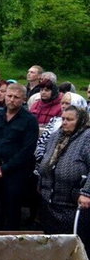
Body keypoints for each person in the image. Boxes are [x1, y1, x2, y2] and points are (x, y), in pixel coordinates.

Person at [0, 82, 39, 230]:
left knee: (11, 211)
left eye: (16, 97)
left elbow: (27, 150)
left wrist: (4, 169)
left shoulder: (30, 121)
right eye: (9, 96)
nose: (11, 99)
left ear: (24, 99)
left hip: (14, 173)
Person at [37, 105, 90, 247]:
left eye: (69, 119)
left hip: (72, 204)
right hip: (49, 200)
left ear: (81, 121)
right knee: (51, 242)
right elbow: (46, 161)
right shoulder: (56, 136)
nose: (64, 122)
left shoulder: (87, 138)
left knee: (72, 244)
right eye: (63, 119)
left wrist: (87, 192)